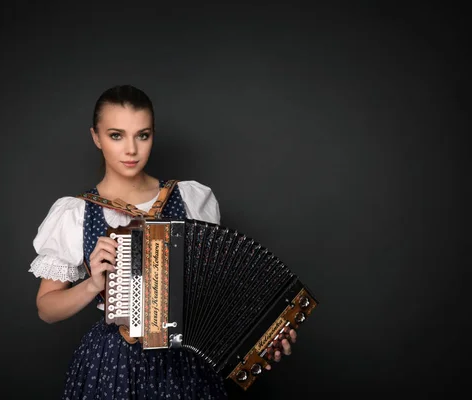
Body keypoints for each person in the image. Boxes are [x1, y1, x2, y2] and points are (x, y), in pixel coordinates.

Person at [28, 84, 297, 399]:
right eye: (116, 135)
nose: (131, 150)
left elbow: (216, 290)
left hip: (185, 363)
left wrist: (264, 336)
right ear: (96, 137)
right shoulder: (76, 212)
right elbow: (46, 309)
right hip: (114, 365)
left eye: (142, 135)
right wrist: (91, 285)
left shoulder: (190, 198)